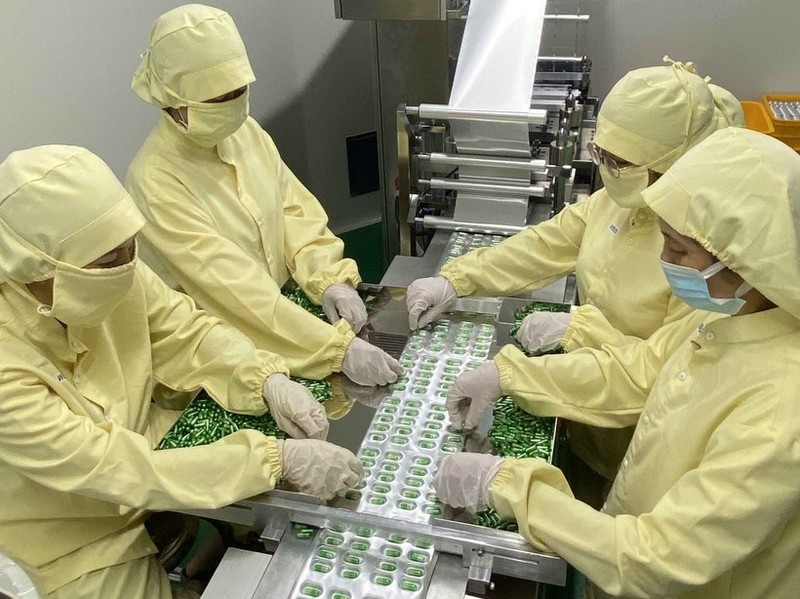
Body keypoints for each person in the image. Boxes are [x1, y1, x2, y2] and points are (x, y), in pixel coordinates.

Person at [434, 128, 800, 599]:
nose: (665, 261)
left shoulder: (779, 410)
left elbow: (660, 560)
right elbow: (635, 371)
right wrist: (509, 373)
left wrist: (506, 485)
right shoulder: (728, 317)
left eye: (678, 250)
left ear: (746, 260)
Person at [0, 145, 364, 599]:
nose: (127, 265)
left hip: (149, 442)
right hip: (71, 526)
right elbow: (110, 466)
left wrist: (265, 379)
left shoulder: (117, 267)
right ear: (36, 267)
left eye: (130, 247)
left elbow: (187, 332)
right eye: (109, 261)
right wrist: (273, 460)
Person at [408, 58, 744, 486]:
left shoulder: (710, 250)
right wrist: (455, 279)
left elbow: (657, 372)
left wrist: (566, 337)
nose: (605, 167)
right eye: (600, 152)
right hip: (578, 411)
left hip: (645, 450)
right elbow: (547, 243)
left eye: (618, 161)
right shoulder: (624, 198)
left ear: (670, 163)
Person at [126, 4, 401, 387]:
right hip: (219, 357)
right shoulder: (155, 181)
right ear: (173, 101)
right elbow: (232, 288)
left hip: (281, 323)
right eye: (219, 98)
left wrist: (329, 278)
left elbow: (293, 212)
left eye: (239, 91)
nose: (234, 105)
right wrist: (333, 349)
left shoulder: (246, 133)